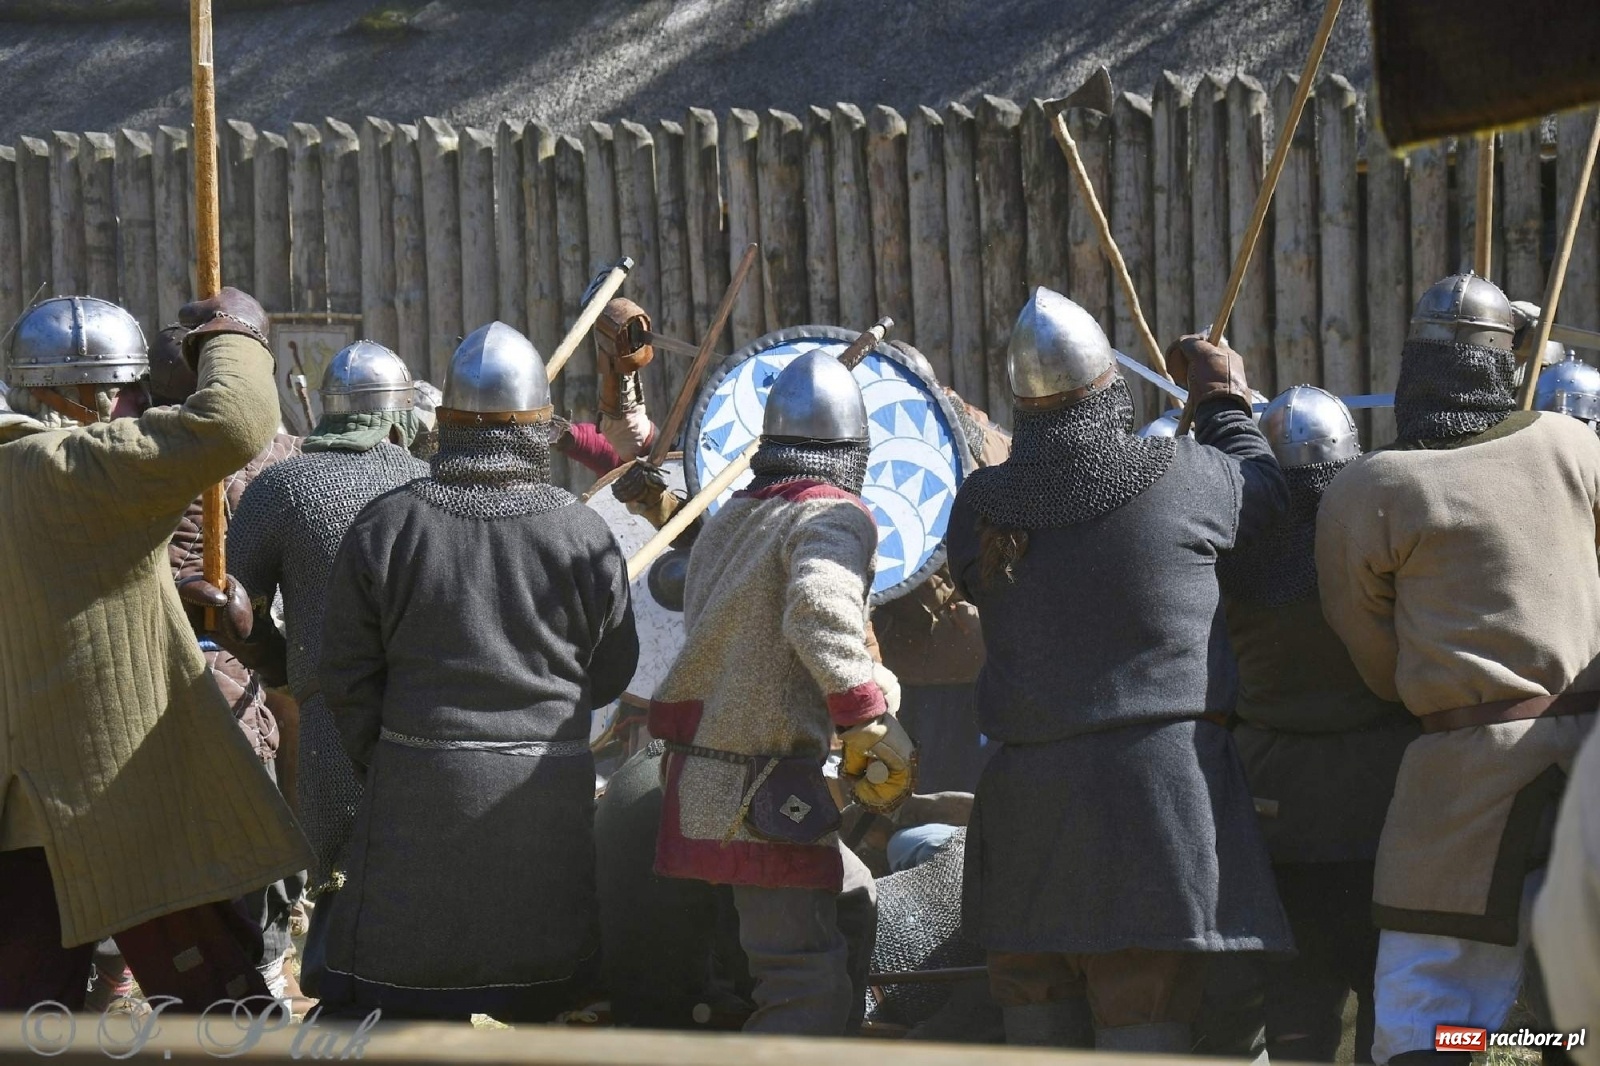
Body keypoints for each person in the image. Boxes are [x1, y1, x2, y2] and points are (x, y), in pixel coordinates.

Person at [946, 287, 1292, 1053]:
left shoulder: (981, 505)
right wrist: (1223, 400)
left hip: (1028, 805)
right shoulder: (1183, 475)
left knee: (1036, 1016)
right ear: (1112, 388)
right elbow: (1271, 499)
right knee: (1144, 1014)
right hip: (1152, 805)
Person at [314, 320, 638, 1019]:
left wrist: (397, 753)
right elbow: (612, 671)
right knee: (542, 992)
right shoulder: (582, 532)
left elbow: (342, 675)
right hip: (542, 791)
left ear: (447, 423)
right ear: (538, 429)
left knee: (401, 997)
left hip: (418, 788)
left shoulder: (387, 524)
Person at [1316, 272, 1600, 1066]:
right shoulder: (1577, 447)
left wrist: (1447, 685)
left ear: (1415, 361)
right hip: (1592, 770)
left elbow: (1374, 655)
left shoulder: (1371, 488)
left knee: (1429, 1009)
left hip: (1465, 778)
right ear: (1503, 361)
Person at [0, 291, 312, 1010]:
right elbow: (234, 421)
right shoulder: (70, 468)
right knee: (221, 1015)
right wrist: (235, 330)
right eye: (132, 389)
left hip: (27, 813)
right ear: (86, 396)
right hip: (114, 803)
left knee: (28, 1017)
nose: (142, 403)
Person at [649, 349, 916, 1036]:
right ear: (850, 450)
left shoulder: (733, 516)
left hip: (710, 785)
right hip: (760, 793)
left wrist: (870, 684)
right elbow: (817, 610)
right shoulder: (835, 513)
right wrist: (868, 716)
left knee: (852, 905)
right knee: (805, 990)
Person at [1217, 385, 1420, 1062]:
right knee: (1385, 996)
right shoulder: (1378, 551)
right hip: (1377, 803)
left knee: (1297, 1008)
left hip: (1277, 812)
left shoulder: (1235, 561)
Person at [225, 339, 428, 989]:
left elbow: (237, 617)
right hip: (429, 720)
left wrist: (288, 676)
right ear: (398, 415)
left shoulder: (279, 488)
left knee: (344, 890)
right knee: (419, 887)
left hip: (328, 720)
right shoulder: (433, 488)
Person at [153, 322, 308, 1004]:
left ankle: (267, 953)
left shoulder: (269, 456)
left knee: (263, 828)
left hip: (248, 665)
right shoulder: (147, 452)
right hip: (192, 666)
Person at [869, 341, 1009, 797]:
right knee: (923, 794)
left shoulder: (973, 434)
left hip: (978, 646)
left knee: (965, 793)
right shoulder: (880, 440)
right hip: (915, 655)